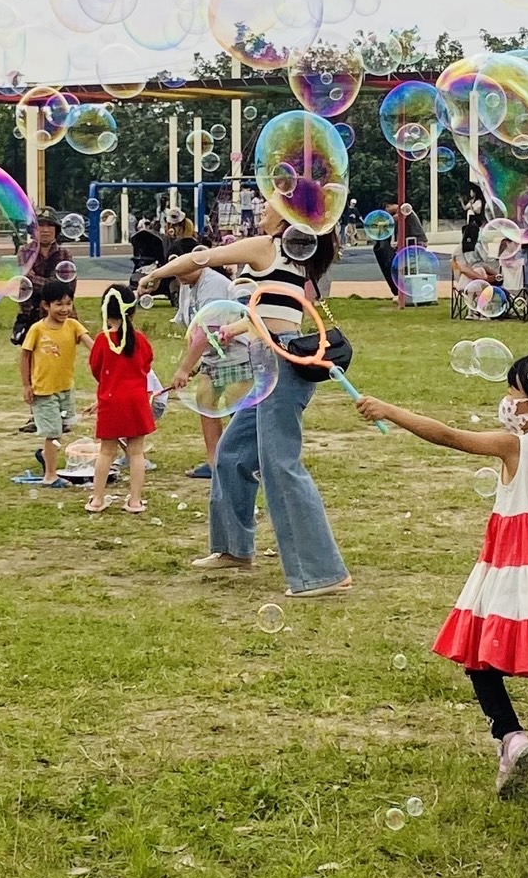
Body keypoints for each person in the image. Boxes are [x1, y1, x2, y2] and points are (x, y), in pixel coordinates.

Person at [356, 355, 528, 797]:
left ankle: (510, 735)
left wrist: (389, 410)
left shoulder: (515, 446)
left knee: (478, 653)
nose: (506, 401)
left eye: (512, 393)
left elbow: (447, 436)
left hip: (514, 564)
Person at [140, 204, 349, 597]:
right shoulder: (292, 255)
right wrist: (231, 329)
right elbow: (266, 315)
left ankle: (322, 573)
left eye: (270, 206)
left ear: (287, 216)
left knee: (279, 464)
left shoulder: (268, 245)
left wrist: (155, 273)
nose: (263, 210)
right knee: (234, 455)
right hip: (270, 358)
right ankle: (233, 549)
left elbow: (202, 257)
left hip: (281, 361)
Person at [169, 253, 241, 480]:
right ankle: (214, 462)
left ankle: (242, 461)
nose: (179, 275)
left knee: (236, 409)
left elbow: (206, 332)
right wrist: (195, 362)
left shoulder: (213, 284)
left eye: (184, 268)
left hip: (235, 354)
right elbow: (192, 328)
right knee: (205, 401)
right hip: (212, 357)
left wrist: (183, 368)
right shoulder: (186, 284)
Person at [85, 285, 155, 515]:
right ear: (132, 311)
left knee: (106, 451)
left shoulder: (102, 341)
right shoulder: (140, 340)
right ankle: (135, 501)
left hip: (111, 400)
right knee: (136, 452)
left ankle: (97, 499)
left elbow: (96, 368)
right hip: (136, 401)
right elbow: (146, 365)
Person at [20, 278, 94, 488]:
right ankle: (50, 475)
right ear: (46, 305)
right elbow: (25, 357)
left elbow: (93, 346)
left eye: (68, 303)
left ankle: (46, 455)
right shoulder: (37, 329)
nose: (64, 309)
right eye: (59, 304)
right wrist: (26, 385)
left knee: (64, 428)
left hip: (65, 388)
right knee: (53, 432)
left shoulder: (73, 326)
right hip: (43, 391)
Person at [11, 207, 74, 346]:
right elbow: (27, 283)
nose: (45, 230)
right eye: (41, 225)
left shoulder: (65, 253)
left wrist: (36, 280)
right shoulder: (25, 251)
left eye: (50, 225)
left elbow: (67, 287)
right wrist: (52, 284)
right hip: (31, 315)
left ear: (56, 229)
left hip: (59, 315)